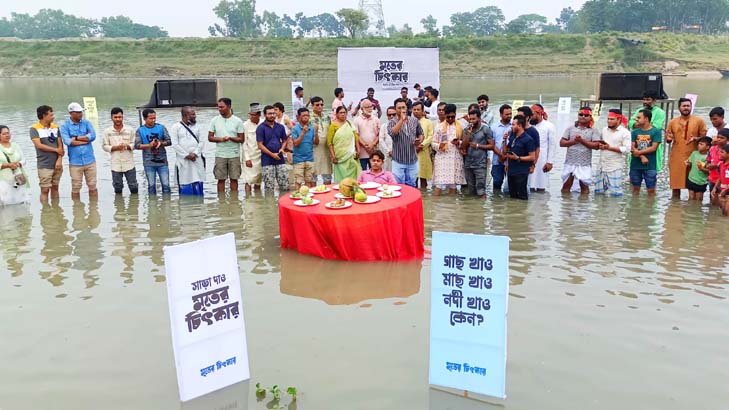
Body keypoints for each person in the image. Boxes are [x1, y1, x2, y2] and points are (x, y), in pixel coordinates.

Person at [666, 97, 707, 199]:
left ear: (691, 107)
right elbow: (668, 139)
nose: (686, 108)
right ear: (679, 107)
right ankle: (675, 210)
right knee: (675, 187)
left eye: (688, 106)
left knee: (694, 189)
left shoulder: (699, 121)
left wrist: (696, 139)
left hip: (694, 157)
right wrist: (668, 139)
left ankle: (692, 212)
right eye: (684, 106)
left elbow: (706, 139)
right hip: (676, 157)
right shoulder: (672, 122)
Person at [60, 102, 97, 200]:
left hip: (90, 160)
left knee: (93, 186)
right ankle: (77, 210)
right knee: (76, 187)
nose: (81, 114)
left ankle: (94, 209)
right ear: (71, 113)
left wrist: (75, 138)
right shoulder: (65, 126)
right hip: (75, 162)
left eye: (81, 112)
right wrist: (85, 140)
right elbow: (67, 141)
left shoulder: (87, 123)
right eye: (78, 112)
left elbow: (93, 136)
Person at [208, 97, 245, 193]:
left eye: (222, 107)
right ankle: (221, 201)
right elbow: (210, 138)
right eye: (219, 107)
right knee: (220, 179)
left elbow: (241, 139)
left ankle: (234, 201)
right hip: (220, 154)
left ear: (229, 106)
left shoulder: (238, 121)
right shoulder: (214, 120)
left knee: (234, 179)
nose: (219, 109)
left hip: (234, 154)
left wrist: (231, 138)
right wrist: (221, 139)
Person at [560, 107, 600, 194]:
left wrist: (582, 141)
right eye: (581, 114)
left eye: (586, 115)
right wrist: (574, 141)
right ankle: (566, 206)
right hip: (570, 161)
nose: (583, 117)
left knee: (584, 188)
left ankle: (583, 206)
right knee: (566, 187)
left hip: (584, 163)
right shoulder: (570, 128)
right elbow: (562, 143)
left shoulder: (593, 130)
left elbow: (596, 145)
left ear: (590, 117)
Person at [30, 105, 64, 202]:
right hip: (44, 164)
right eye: (51, 115)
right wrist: (55, 150)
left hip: (57, 163)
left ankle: (56, 210)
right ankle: (45, 212)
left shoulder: (56, 127)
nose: (53, 117)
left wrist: (59, 160)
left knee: (55, 187)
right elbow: (39, 145)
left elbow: (60, 145)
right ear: (44, 116)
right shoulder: (34, 129)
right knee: (45, 189)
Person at [594, 109, 631, 197]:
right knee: (598, 193)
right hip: (602, 166)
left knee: (616, 193)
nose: (609, 121)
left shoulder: (625, 133)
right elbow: (600, 142)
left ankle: (615, 210)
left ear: (619, 120)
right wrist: (601, 146)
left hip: (615, 167)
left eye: (612, 119)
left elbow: (627, 149)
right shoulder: (604, 130)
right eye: (608, 119)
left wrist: (609, 147)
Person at [431, 104, 467, 195]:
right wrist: (440, 145)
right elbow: (433, 143)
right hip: (442, 158)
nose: (450, 119)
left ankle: (452, 207)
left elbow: (465, 142)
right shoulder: (439, 127)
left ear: (455, 114)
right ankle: (435, 207)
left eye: (452, 116)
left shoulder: (461, 126)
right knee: (438, 184)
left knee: (453, 184)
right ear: (444, 115)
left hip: (455, 158)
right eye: (448, 117)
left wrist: (458, 142)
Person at [388, 98, 424, 187]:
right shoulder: (392, 122)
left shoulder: (414, 120)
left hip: (412, 160)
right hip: (398, 160)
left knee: (412, 185)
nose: (401, 110)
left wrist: (419, 141)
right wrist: (401, 120)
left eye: (403, 107)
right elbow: (393, 133)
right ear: (395, 109)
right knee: (399, 186)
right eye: (399, 108)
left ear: (407, 108)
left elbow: (421, 133)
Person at [135, 108, 171, 196]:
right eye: (151, 118)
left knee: (166, 185)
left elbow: (169, 141)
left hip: (162, 161)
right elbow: (137, 145)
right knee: (151, 186)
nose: (153, 120)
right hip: (148, 162)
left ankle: (166, 205)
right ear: (145, 119)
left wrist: (161, 143)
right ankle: (152, 207)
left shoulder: (161, 127)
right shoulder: (140, 130)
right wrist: (149, 145)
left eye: (154, 118)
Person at [170, 106, 206, 196]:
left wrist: (195, 154)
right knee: (185, 183)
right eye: (192, 114)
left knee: (198, 181)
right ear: (185, 115)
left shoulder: (199, 127)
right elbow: (175, 144)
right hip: (183, 161)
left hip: (196, 160)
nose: (195, 116)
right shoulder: (176, 127)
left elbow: (202, 142)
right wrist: (186, 155)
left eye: (194, 114)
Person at [102, 107, 138, 195]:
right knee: (117, 187)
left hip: (129, 163)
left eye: (120, 117)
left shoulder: (130, 130)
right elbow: (104, 146)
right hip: (115, 164)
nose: (118, 119)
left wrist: (127, 146)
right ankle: (119, 207)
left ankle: (134, 206)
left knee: (133, 186)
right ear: (111, 118)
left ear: (122, 117)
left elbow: (135, 144)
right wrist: (115, 148)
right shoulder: (107, 131)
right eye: (116, 117)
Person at [628, 92, 666, 171]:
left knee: (651, 175)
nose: (645, 102)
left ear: (654, 100)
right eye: (644, 100)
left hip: (651, 143)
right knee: (634, 176)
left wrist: (639, 124)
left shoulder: (660, 112)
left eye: (648, 100)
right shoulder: (639, 110)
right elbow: (630, 123)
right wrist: (643, 124)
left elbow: (656, 126)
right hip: (637, 143)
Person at [461, 108, 494, 198]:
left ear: (479, 118)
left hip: (480, 164)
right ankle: (473, 210)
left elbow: (492, 146)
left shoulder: (485, 129)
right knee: (471, 190)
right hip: (468, 164)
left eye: (474, 119)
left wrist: (478, 146)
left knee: (481, 191)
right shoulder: (466, 130)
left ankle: (481, 210)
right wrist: (468, 134)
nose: (471, 121)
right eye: (470, 119)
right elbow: (463, 146)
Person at [257, 105, 289, 193]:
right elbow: (260, 145)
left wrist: (282, 148)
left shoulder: (280, 127)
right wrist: (272, 155)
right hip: (267, 161)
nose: (272, 115)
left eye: (274, 113)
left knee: (285, 185)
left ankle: (283, 205)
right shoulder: (261, 128)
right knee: (269, 187)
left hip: (280, 159)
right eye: (269, 113)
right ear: (265, 115)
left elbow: (284, 140)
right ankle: (269, 206)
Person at [629, 109, 662, 196]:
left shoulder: (656, 132)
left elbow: (654, 148)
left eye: (639, 117)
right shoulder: (634, 132)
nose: (636, 120)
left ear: (646, 119)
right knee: (635, 191)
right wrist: (642, 156)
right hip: (635, 165)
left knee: (651, 191)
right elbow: (632, 147)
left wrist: (639, 153)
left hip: (650, 166)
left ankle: (650, 208)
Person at [504, 115, 536, 200]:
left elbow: (532, 157)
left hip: (521, 172)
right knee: (512, 197)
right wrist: (504, 140)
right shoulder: (513, 137)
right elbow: (505, 152)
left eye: (514, 124)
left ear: (519, 125)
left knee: (522, 197)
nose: (512, 126)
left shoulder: (528, 139)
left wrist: (518, 158)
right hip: (511, 171)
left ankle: (522, 213)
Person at [328, 106, 362, 183]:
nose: (343, 114)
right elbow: (329, 143)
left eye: (344, 113)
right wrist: (333, 156)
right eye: (341, 113)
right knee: (341, 177)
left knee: (353, 174)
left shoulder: (350, 124)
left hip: (351, 155)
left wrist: (358, 150)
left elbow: (356, 138)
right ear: (336, 114)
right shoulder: (333, 126)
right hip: (339, 156)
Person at [529, 104, 557, 192]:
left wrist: (550, 162)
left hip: (543, 160)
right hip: (530, 159)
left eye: (532, 114)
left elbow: (552, 145)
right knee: (530, 186)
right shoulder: (528, 126)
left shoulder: (549, 126)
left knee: (541, 186)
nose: (530, 117)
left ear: (539, 113)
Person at [0, 125, 30, 205]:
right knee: (5, 202)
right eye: (4, 134)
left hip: (18, 177)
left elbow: (24, 160)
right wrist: (8, 165)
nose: (7, 135)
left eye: (8, 133)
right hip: (3, 179)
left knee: (21, 201)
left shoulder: (15, 145)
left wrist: (18, 163)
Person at [291, 107, 319, 189]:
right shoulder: (295, 129)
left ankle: (308, 198)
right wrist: (303, 132)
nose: (306, 117)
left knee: (309, 180)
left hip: (309, 158)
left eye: (307, 115)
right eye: (303, 115)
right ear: (298, 117)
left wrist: (316, 133)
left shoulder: (312, 128)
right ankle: (297, 198)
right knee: (298, 181)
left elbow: (316, 143)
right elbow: (295, 143)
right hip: (298, 159)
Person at [309, 96, 333, 184]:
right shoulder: (308, 117)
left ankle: (327, 196)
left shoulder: (327, 116)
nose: (320, 106)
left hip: (326, 149)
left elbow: (331, 131)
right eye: (317, 105)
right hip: (313, 149)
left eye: (321, 104)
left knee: (327, 175)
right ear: (312, 106)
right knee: (313, 175)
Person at [241, 103, 263, 192]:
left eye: (253, 115)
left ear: (259, 115)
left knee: (259, 181)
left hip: (262, 156)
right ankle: (248, 200)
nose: (251, 117)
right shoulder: (245, 125)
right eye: (250, 115)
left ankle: (258, 200)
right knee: (248, 181)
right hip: (250, 156)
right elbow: (244, 143)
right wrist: (247, 158)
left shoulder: (263, 123)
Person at [491, 104, 512, 192]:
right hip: (497, 160)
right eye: (507, 114)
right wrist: (501, 155)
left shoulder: (514, 126)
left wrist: (506, 156)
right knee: (497, 182)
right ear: (501, 115)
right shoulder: (493, 127)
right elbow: (491, 144)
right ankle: (496, 203)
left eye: (510, 114)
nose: (509, 116)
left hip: (511, 160)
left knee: (511, 184)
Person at [354, 99, 380, 170]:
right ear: (362, 109)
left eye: (371, 106)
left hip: (374, 151)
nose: (369, 109)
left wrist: (373, 144)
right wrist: (365, 146)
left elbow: (379, 134)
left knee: (375, 171)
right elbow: (356, 135)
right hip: (362, 153)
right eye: (367, 107)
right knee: (363, 172)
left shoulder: (376, 119)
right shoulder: (357, 120)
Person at [684, 136, 712, 201]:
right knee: (691, 198)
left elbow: (709, 171)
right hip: (691, 179)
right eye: (699, 144)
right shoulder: (694, 153)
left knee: (699, 199)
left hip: (701, 182)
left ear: (707, 147)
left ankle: (697, 211)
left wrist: (701, 168)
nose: (699, 145)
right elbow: (690, 163)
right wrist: (687, 163)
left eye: (701, 144)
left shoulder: (708, 157)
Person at [413, 102, 433, 188]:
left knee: (423, 177)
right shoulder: (409, 121)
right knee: (413, 178)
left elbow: (431, 136)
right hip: (412, 152)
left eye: (418, 109)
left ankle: (425, 198)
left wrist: (421, 145)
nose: (416, 111)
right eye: (414, 109)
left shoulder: (428, 122)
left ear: (423, 111)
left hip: (423, 152)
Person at [706, 128, 729, 195]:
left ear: (727, 139)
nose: (719, 139)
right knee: (713, 199)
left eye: (722, 138)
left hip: (724, 181)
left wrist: (716, 165)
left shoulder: (727, 151)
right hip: (712, 179)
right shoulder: (712, 149)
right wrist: (708, 166)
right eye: (718, 137)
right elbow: (708, 162)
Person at [710, 143, 729, 215]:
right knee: (723, 212)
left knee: (727, 212)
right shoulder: (720, 164)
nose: (719, 154)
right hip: (723, 190)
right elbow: (720, 177)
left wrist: (726, 190)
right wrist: (715, 188)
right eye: (719, 151)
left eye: (722, 152)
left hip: (726, 191)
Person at [379, 106, 396, 172]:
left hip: (399, 155)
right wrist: (388, 151)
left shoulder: (401, 125)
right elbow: (381, 140)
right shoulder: (383, 126)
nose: (391, 116)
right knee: (386, 172)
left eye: (394, 114)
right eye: (389, 115)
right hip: (387, 154)